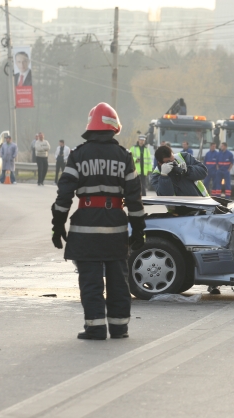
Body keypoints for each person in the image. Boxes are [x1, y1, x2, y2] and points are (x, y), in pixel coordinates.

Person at [51, 102, 145, 340]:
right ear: (114, 129)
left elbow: (64, 196)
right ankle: (119, 327)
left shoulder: (78, 155)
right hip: (115, 227)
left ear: (91, 128)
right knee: (118, 280)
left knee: (90, 280)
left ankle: (95, 327)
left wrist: (57, 225)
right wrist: (139, 230)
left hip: (86, 228)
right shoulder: (125, 157)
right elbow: (135, 199)